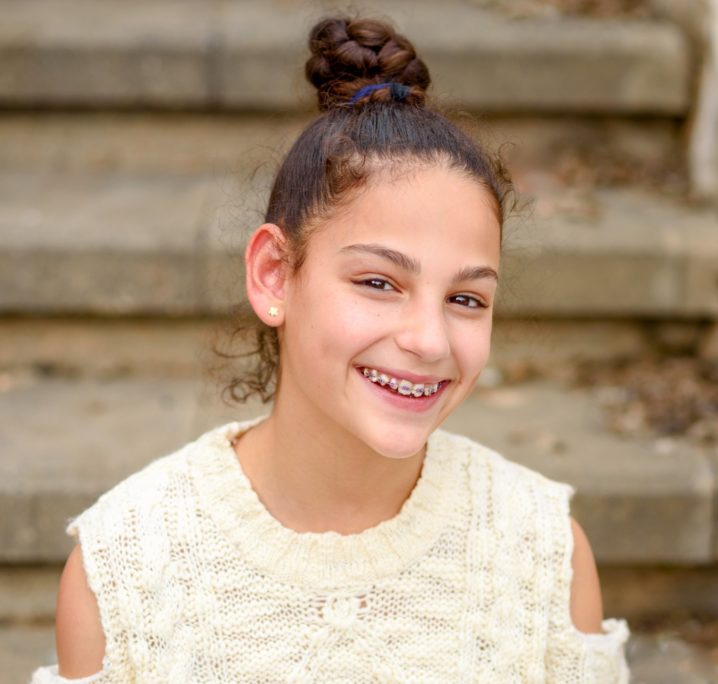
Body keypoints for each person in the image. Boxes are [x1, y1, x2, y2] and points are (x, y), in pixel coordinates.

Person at [30, 12, 630, 684]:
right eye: (378, 282)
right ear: (273, 275)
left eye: (466, 299)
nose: (429, 340)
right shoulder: (125, 569)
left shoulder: (543, 553)